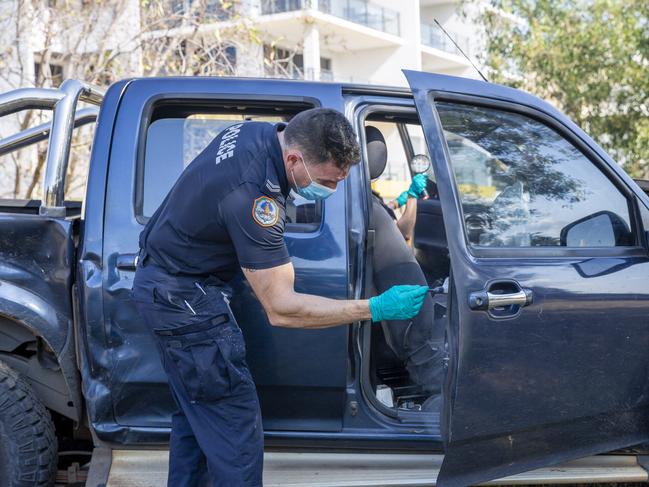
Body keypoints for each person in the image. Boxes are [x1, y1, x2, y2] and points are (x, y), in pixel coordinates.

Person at [130, 108, 429, 487]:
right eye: (327, 182)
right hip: (184, 301)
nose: (332, 191)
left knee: (199, 423)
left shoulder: (258, 135)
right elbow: (281, 308)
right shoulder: (253, 196)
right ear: (293, 158)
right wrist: (375, 307)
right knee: (236, 436)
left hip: (169, 287)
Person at [365, 125, 446, 411]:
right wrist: (411, 197)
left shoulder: (366, 200)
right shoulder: (367, 204)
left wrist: (406, 197)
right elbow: (405, 231)